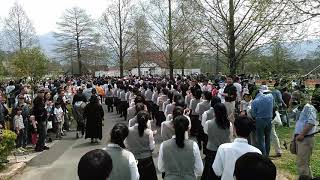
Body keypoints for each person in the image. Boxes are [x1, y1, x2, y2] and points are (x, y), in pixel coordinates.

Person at [158, 115, 203, 180]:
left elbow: (161, 168)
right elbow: (199, 170)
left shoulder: (164, 145)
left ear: (173, 127)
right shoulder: (193, 145)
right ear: (187, 128)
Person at [202, 103, 232, 180]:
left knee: (211, 169)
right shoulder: (229, 124)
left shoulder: (208, 123)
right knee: (223, 168)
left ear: (215, 112)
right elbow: (230, 137)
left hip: (212, 150)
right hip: (225, 150)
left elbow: (206, 132)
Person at [125, 111, 157, 180]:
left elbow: (126, 144)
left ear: (136, 119)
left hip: (134, 159)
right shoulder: (149, 132)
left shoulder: (128, 130)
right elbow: (152, 148)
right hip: (147, 160)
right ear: (147, 121)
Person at [295, 99, 318, 178]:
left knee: (302, 163)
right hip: (302, 138)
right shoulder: (302, 108)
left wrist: (302, 134)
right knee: (304, 162)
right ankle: (309, 178)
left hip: (305, 138)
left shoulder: (309, 107)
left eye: (296, 97)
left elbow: (311, 122)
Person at [251, 86, 274, 156]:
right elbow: (274, 106)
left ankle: (263, 155)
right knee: (268, 138)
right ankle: (267, 154)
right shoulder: (271, 96)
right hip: (269, 119)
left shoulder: (255, 101)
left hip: (260, 120)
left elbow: (254, 114)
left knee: (260, 139)